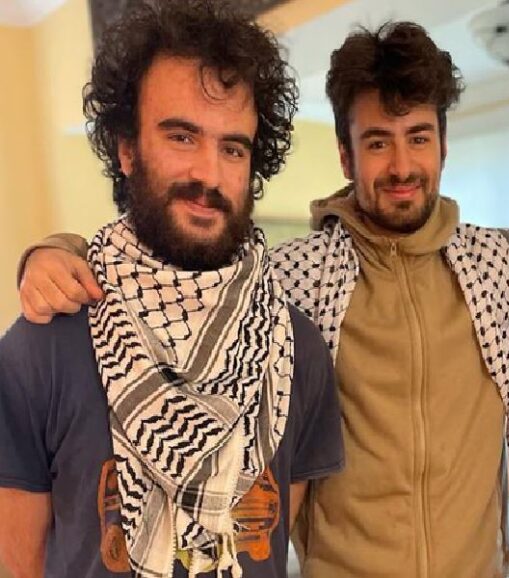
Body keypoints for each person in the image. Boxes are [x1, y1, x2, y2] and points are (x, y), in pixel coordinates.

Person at [13, 15, 509, 578]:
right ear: (346, 155)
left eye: (418, 136)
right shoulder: (291, 281)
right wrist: (58, 250)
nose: (401, 164)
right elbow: (187, 267)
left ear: (443, 144)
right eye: (377, 141)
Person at [0, 2, 342, 578]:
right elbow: (18, 562)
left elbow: (274, 542)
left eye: (233, 147)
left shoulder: (297, 349)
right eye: (182, 136)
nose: (209, 173)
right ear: (126, 148)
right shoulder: (42, 346)